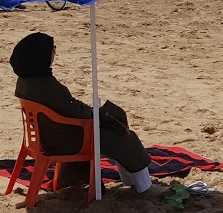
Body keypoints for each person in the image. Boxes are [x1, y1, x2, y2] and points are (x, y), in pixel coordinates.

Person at [9, 32, 158, 194]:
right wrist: (98, 113)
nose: (54, 53)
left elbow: (67, 108)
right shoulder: (46, 87)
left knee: (115, 129)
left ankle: (132, 182)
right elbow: (76, 112)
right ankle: (144, 187)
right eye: (52, 49)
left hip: (48, 138)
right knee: (124, 136)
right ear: (40, 55)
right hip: (68, 140)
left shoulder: (26, 80)